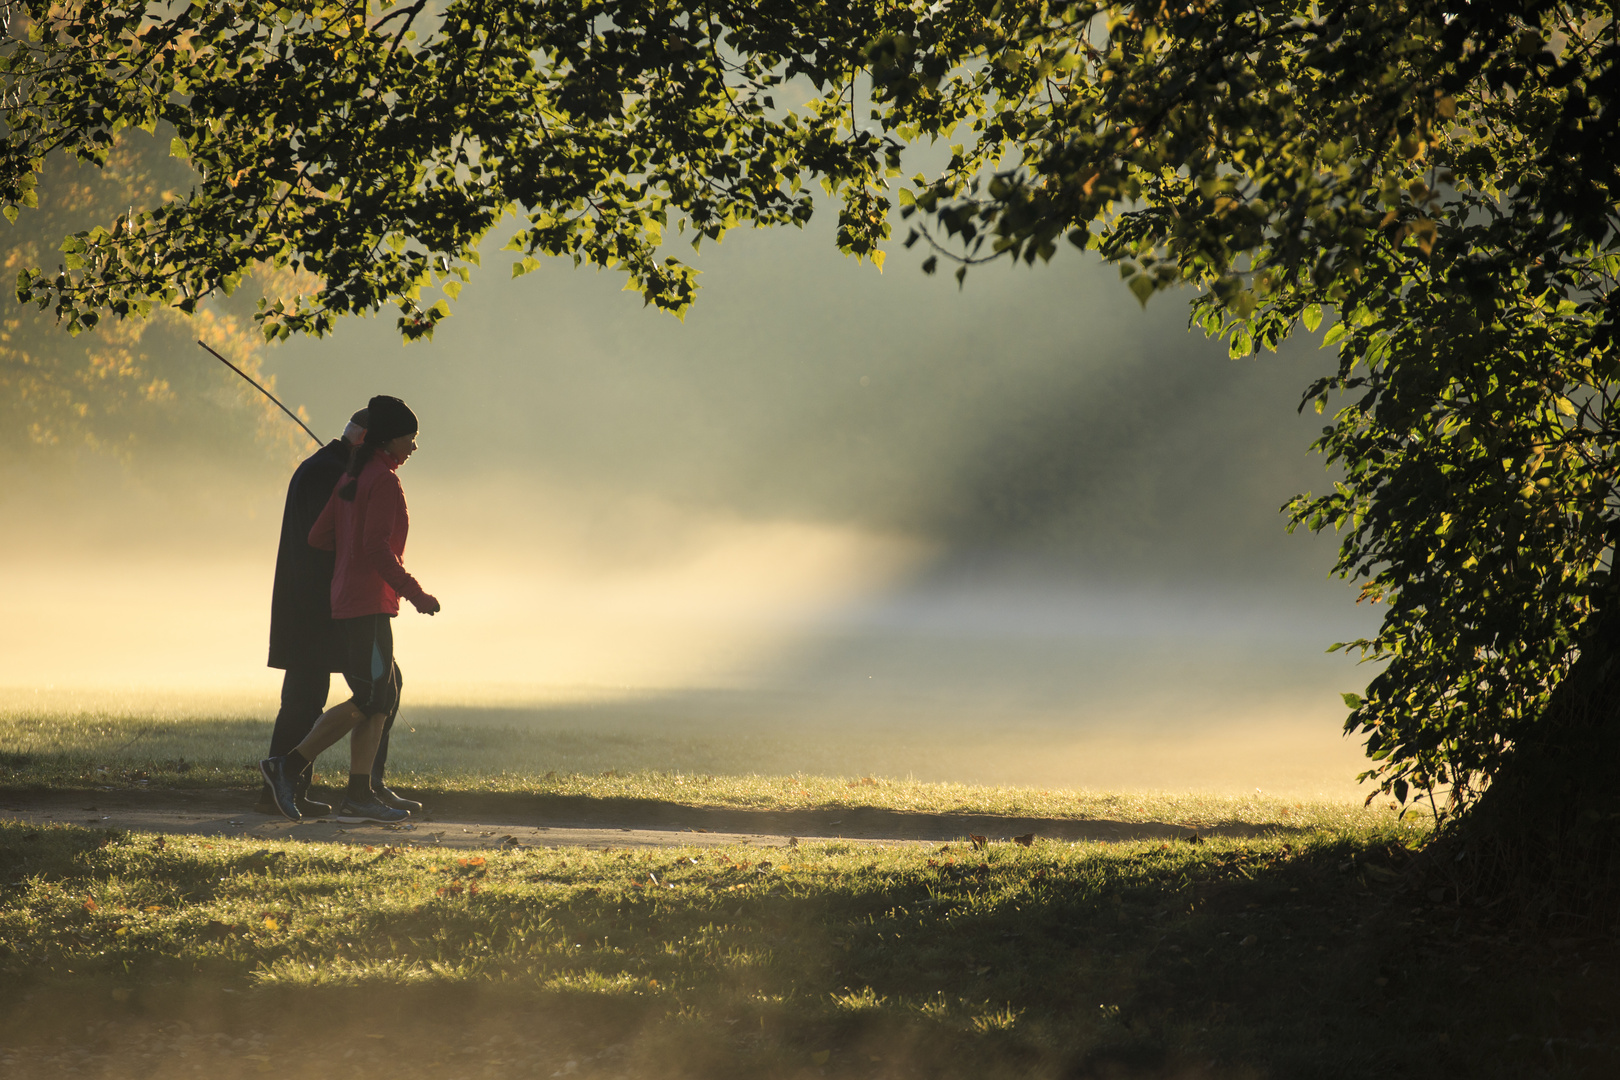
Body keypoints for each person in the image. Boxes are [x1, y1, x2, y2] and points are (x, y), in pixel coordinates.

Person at [260, 395, 441, 823]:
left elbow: (321, 537)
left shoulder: (343, 475)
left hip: (334, 600)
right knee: (373, 693)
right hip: (342, 606)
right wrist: (410, 591)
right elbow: (370, 546)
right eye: (408, 438)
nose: (414, 447)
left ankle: (355, 787)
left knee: (373, 692)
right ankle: (294, 772)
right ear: (378, 438)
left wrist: (347, 561)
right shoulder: (366, 478)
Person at [256, 408, 366, 818]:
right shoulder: (328, 474)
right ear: (364, 441)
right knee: (314, 699)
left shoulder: (324, 467)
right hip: (314, 605)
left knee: (305, 699)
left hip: (309, 603)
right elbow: (330, 539)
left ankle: (283, 793)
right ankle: (287, 789)